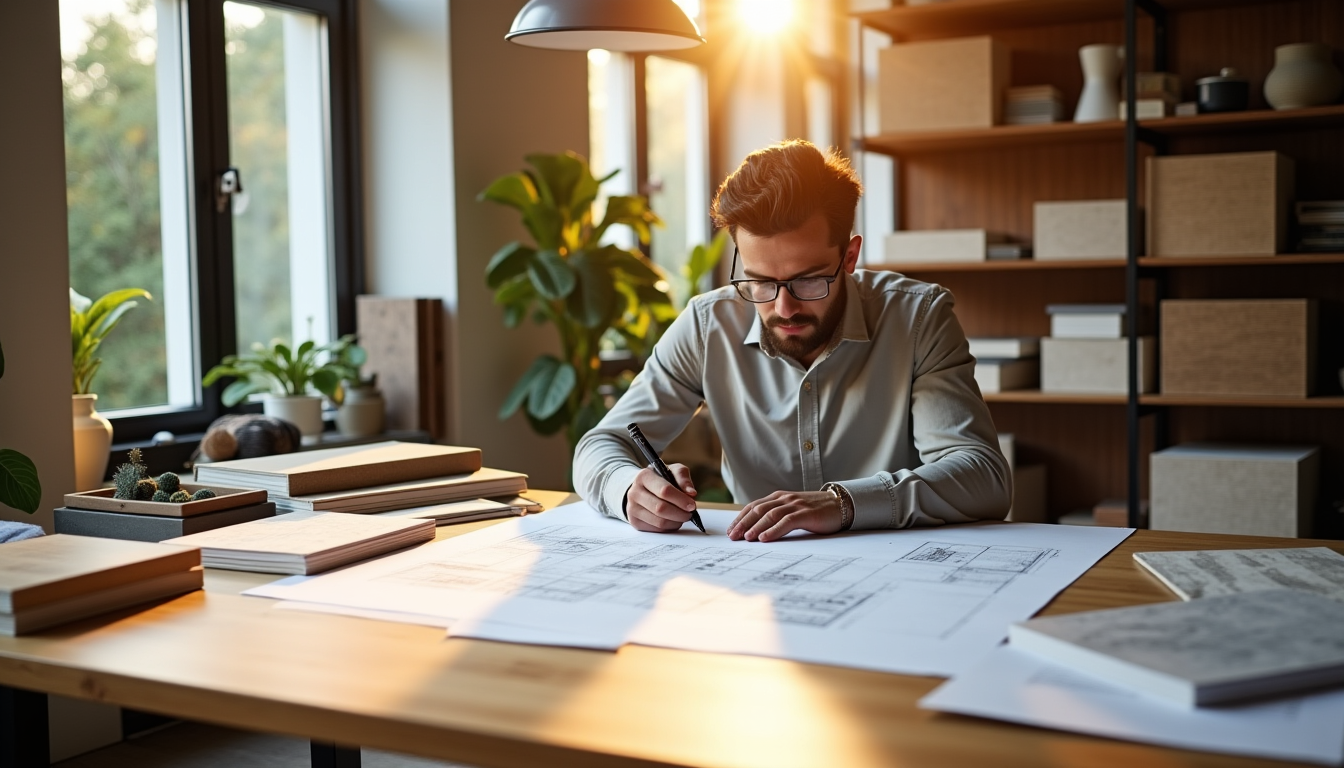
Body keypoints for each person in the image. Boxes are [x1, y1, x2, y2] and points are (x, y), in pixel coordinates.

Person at [573, 140, 1011, 542]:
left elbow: (983, 476)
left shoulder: (918, 318)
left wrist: (844, 503)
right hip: (756, 571)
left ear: (849, 257)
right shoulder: (708, 326)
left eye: (808, 280)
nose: (784, 308)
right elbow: (599, 446)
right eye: (760, 281)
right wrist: (628, 489)